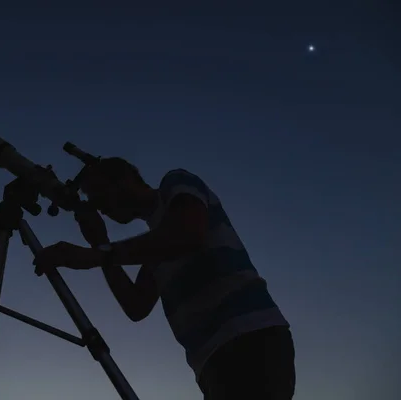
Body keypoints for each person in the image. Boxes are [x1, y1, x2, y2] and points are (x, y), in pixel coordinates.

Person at [33, 157, 296, 399]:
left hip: (250, 341)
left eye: (98, 195)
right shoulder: (157, 243)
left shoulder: (176, 182)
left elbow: (186, 235)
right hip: (211, 362)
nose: (100, 208)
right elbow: (136, 305)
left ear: (124, 179)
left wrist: (98, 255)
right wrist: (100, 242)